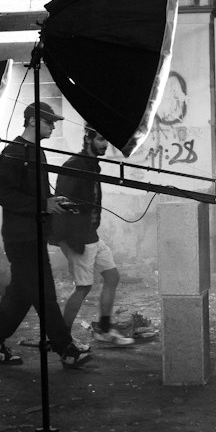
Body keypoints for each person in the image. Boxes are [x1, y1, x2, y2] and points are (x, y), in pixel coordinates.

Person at [0, 101, 91, 368]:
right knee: (45, 294)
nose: (53, 126)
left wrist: (53, 200)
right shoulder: (14, 152)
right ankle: (66, 349)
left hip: (33, 234)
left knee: (20, 296)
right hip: (21, 237)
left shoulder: (37, 152)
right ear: (31, 121)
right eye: (49, 121)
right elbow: (4, 195)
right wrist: (44, 204)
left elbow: (35, 194)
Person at [53, 127, 134, 347]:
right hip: (78, 239)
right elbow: (60, 203)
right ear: (87, 138)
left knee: (112, 277)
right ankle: (62, 338)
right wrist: (65, 241)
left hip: (92, 236)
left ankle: (104, 330)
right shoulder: (74, 166)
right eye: (100, 139)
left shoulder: (91, 165)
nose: (105, 144)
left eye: (106, 139)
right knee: (83, 287)